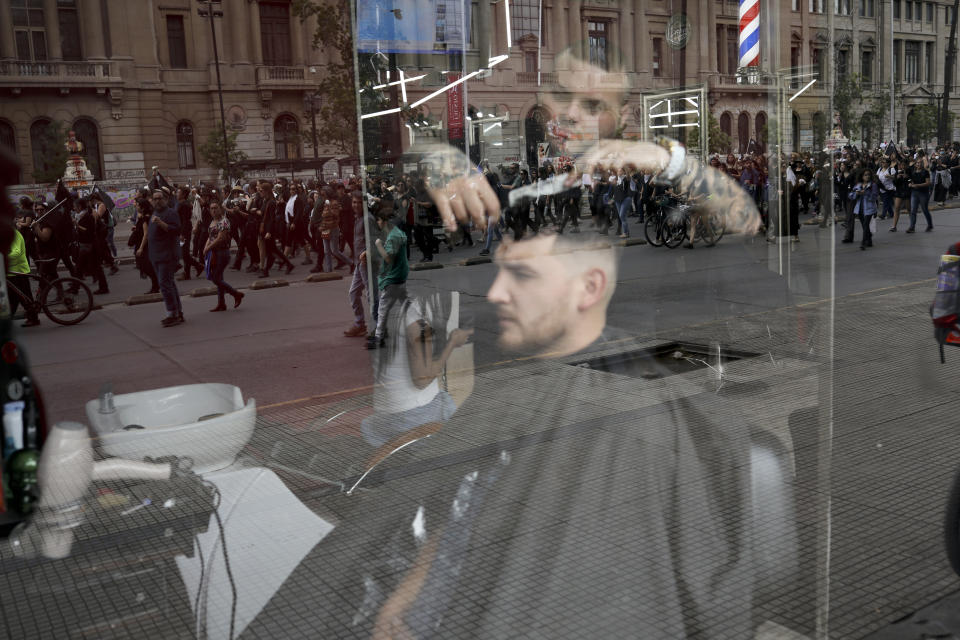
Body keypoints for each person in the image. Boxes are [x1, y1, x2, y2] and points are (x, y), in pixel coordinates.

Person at [369, 202, 409, 350]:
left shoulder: (393, 236)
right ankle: (424, 328)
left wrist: (379, 245)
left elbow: (388, 258)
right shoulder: (395, 233)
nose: (378, 223)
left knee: (383, 308)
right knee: (406, 303)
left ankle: (379, 338)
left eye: (379, 220)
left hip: (393, 277)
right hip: (399, 274)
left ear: (385, 221)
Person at [148, 189, 183, 326]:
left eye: (159, 198)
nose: (157, 201)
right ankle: (178, 312)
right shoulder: (155, 212)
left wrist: (162, 224)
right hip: (156, 255)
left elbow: (177, 230)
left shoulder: (170, 213)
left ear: (166, 199)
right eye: (155, 198)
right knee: (169, 284)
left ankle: (171, 313)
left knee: (165, 285)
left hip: (166, 256)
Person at [202, 200, 244, 312]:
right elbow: (210, 236)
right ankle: (221, 303)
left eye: (216, 208)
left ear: (220, 209)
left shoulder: (224, 222)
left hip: (222, 253)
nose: (214, 210)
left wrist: (208, 247)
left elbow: (220, 238)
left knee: (215, 278)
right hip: (214, 253)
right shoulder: (213, 221)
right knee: (219, 278)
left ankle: (236, 294)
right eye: (211, 208)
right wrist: (206, 247)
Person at [344, 192, 373, 338]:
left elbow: (375, 240)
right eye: (353, 202)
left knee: (371, 295)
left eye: (358, 202)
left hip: (367, 263)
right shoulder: (358, 218)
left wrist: (367, 252)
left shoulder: (368, 219)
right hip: (359, 263)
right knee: (354, 293)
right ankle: (359, 323)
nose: (355, 205)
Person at [257, 180, 295, 277]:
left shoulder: (271, 202)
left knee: (271, 251)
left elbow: (272, 219)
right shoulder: (265, 201)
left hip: (269, 230)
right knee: (273, 250)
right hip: (265, 229)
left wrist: (269, 231)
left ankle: (266, 270)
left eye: (261, 191)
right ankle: (289, 264)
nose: (260, 192)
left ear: (266, 191)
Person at [74, 197, 109, 295]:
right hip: (86, 245)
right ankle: (75, 287)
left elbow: (88, 231)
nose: (74, 209)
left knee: (84, 267)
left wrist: (77, 225)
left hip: (89, 246)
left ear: (80, 207)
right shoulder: (81, 216)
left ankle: (103, 287)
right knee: (82, 267)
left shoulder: (87, 216)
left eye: (75, 207)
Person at [6, 227, 40, 327]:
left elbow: (16, 252)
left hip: (18, 270)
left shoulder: (14, 234)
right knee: (13, 297)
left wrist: (3, 258)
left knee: (24, 296)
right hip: (11, 271)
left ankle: (33, 318)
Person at [131, 199, 159, 294]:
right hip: (147, 245)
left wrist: (141, 248)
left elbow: (146, 234)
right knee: (147, 266)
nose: (136, 206)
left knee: (147, 266)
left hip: (145, 246)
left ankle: (156, 286)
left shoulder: (145, 218)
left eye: (138, 205)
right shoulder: (145, 217)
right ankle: (156, 285)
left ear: (142, 207)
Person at [176, 186, 204, 280]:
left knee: (185, 254)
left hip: (185, 231)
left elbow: (185, 220)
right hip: (183, 230)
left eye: (178, 192)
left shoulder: (184, 204)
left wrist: (182, 234)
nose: (177, 194)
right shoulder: (182, 203)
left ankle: (198, 266)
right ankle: (187, 274)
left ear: (183, 194)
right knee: (185, 253)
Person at [846, 169, 878, 250]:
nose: (867, 176)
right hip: (860, 208)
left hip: (870, 208)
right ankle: (869, 239)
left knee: (866, 224)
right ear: (862, 176)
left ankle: (863, 242)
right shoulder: (858, 185)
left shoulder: (872, 185)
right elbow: (850, 195)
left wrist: (866, 193)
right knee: (864, 226)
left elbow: (874, 197)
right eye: (865, 175)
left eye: (868, 175)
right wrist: (856, 194)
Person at [907, 155, 934, 233]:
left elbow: (928, 183)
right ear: (915, 164)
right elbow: (910, 180)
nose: (918, 164)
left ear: (922, 164)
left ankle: (930, 225)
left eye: (920, 163)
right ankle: (912, 227)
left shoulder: (925, 172)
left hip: (923, 193)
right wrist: (910, 184)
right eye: (917, 163)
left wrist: (917, 185)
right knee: (913, 210)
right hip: (914, 192)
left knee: (924, 209)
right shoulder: (913, 172)